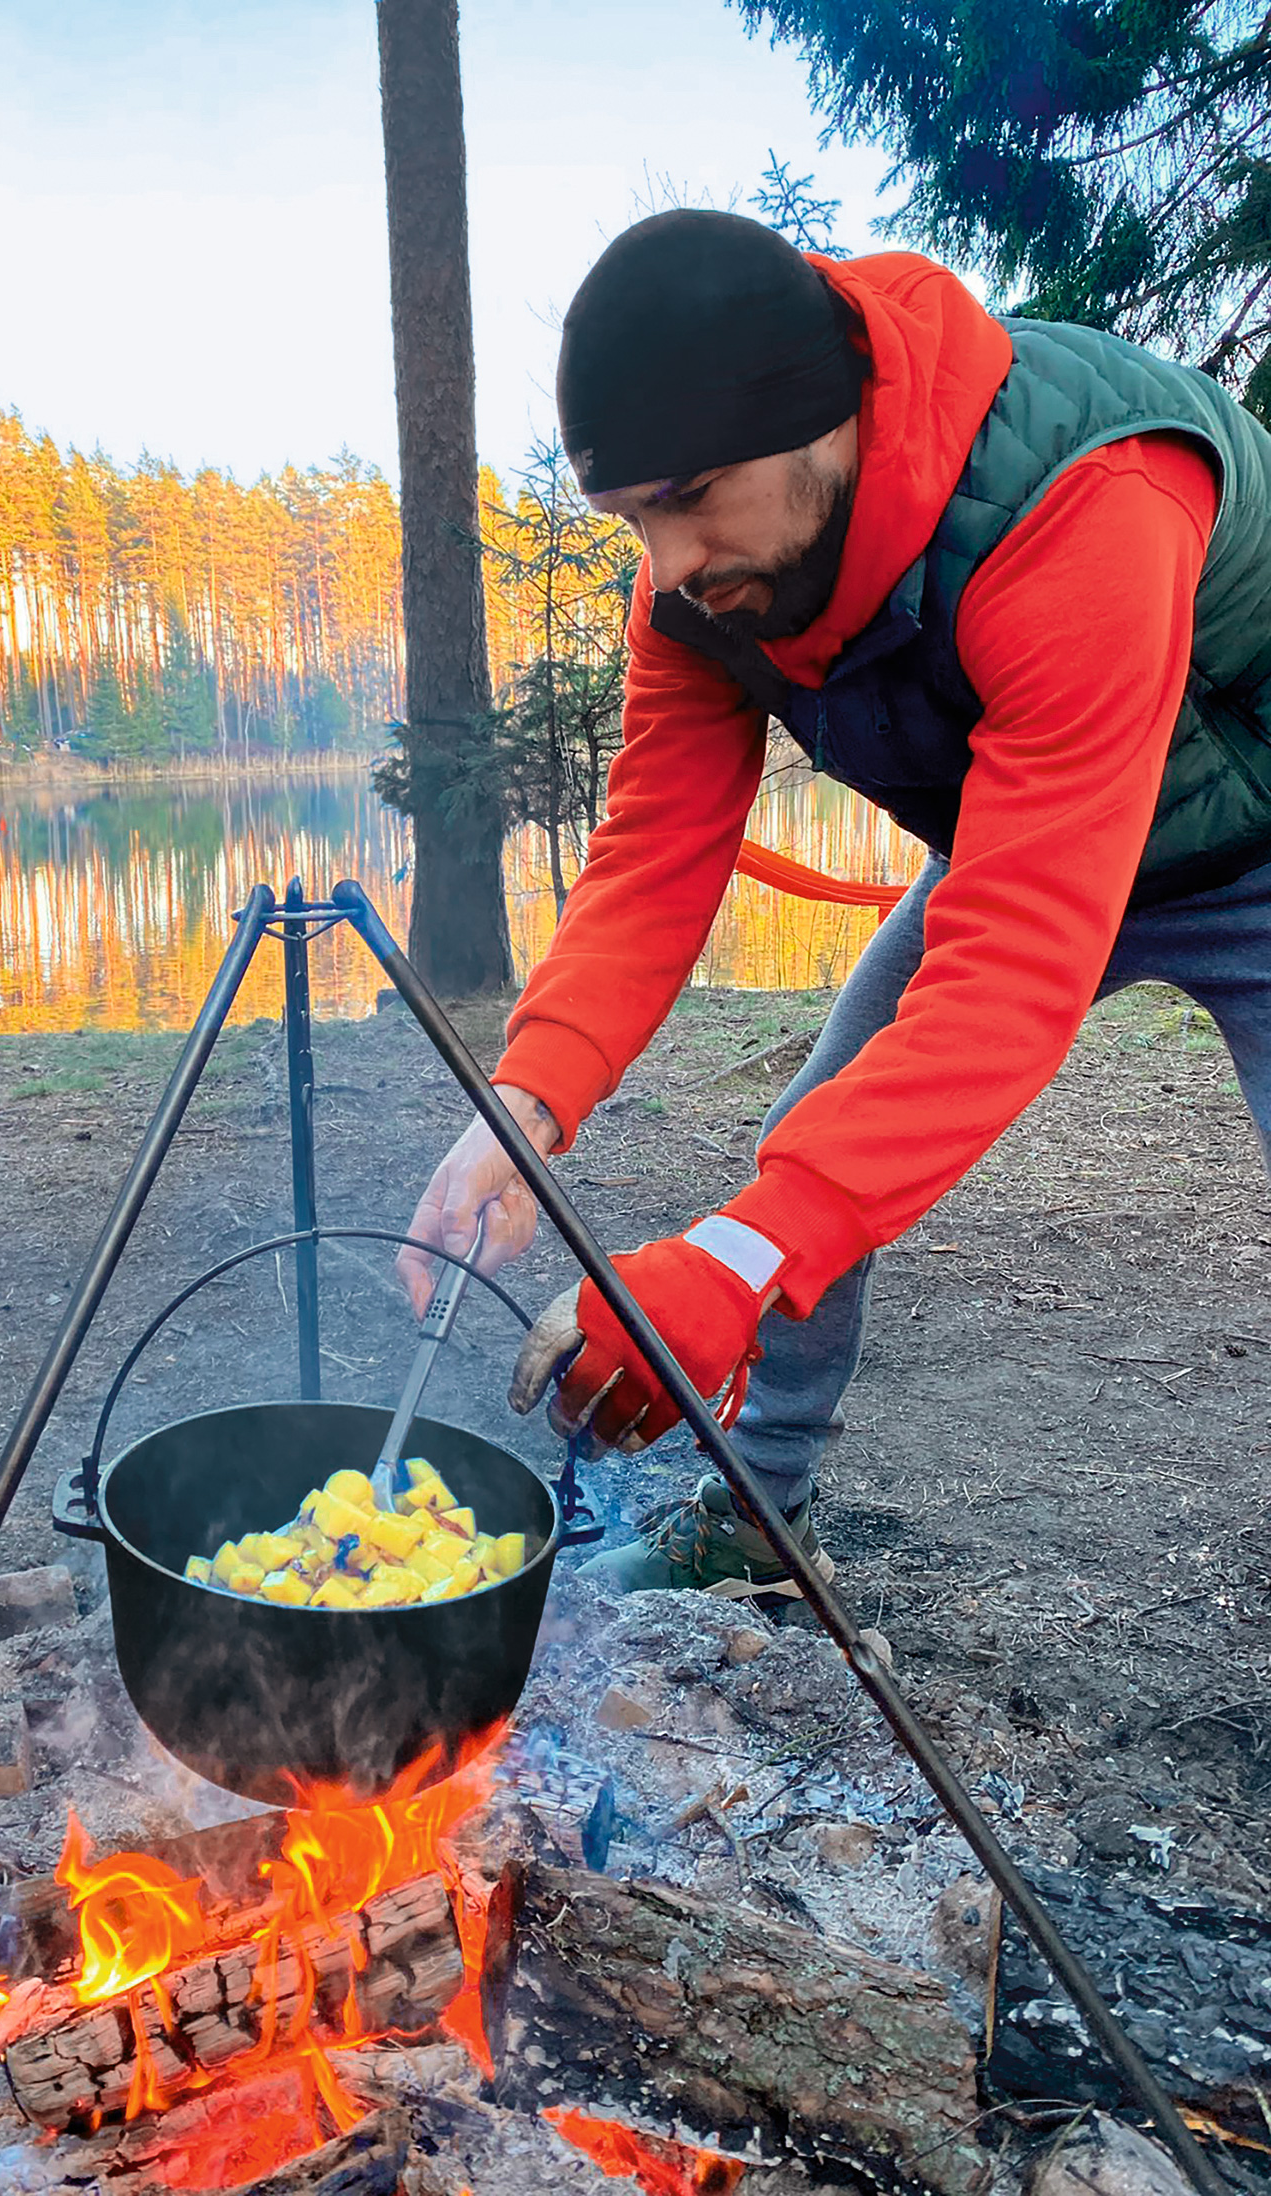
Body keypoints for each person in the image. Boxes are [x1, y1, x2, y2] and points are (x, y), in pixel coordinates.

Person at [397, 209, 1271, 1604]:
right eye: (632, 522)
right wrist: (525, 1107)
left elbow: (1011, 977)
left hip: (1252, 852)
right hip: (1022, 835)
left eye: (686, 498)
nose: (668, 561)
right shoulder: (699, 591)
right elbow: (653, 853)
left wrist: (722, 1271)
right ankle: (758, 1510)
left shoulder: (1084, 503)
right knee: (816, 1127)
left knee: (791, 1202)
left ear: (821, 424)